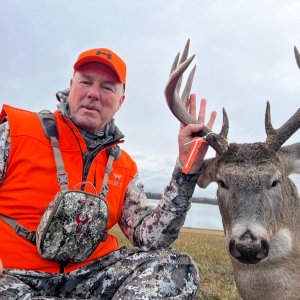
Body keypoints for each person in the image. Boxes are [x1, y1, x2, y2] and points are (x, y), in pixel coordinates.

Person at [0, 47, 216, 299]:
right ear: (71, 85)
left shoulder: (123, 165)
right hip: (13, 275)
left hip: (91, 275)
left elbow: (151, 238)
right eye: (86, 82)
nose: (93, 94)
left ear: (120, 101)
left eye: (107, 87)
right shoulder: (18, 132)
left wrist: (185, 171)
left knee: (176, 269)